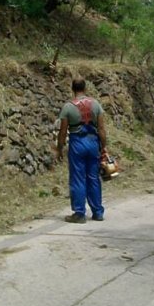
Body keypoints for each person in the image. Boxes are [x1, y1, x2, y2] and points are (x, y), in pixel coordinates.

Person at [55, 77, 107, 224]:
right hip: (92, 142)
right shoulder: (95, 104)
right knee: (93, 177)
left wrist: (59, 148)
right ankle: (97, 212)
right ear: (85, 88)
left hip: (77, 142)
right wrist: (104, 147)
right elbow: (102, 129)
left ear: (72, 89)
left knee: (78, 178)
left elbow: (63, 132)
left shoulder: (68, 107)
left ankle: (79, 213)